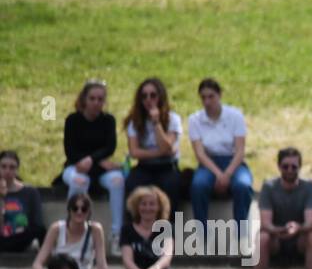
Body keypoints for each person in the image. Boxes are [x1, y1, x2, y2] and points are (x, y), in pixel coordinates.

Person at [188, 78, 253, 251]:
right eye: (203, 98)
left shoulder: (235, 116)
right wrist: (218, 174)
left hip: (233, 161)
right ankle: (202, 237)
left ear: (219, 95)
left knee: (243, 185)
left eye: (211, 97)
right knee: (198, 186)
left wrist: (228, 174)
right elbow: (200, 153)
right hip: (209, 163)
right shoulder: (195, 120)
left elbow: (240, 150)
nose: (207, 102)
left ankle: (241, 237)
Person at [252, 147, 312, 269]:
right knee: (262, 237)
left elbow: (311, 222)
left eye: (294, 167)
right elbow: (266, 223)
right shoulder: (269, 187)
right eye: (285, 166)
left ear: (299, 167)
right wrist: (279, 230)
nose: (290, 170)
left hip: (299, 239)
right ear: (279, 167)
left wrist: (298, 228)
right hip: (276, 239)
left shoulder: (309, 187)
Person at [61, 80, 126, 242]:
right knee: (79, 181)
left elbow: (110, 147)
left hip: (99, 168)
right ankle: (69, 230)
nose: (96, 103)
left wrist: (92, 160)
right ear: (84, 100)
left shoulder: (108, 120)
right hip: (75, 166)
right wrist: (88, 161)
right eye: (92, 98)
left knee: (117, 181)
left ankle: (117, 233)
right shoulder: (72, 120)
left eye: (100, 99)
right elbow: (70, 150)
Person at [32, 193, 118, 269]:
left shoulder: (95, 230)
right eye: (75, 208)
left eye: (83, 209)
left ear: (88, 212)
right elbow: (37, 264)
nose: (79, 212)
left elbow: (102, 266)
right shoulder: (57, 228)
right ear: (69, 210)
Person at [123, 78, 183, 214]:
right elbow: (134, 152)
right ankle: (133, 227)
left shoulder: (173, 119)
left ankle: (169, 228)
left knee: (172, 185)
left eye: (153, 95)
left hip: (167, 166)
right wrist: (161, 151)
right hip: (144, 166)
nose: (148, 100)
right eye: (144, 96)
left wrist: (156, 123)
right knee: (132, 184)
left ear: (160, 97)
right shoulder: (135, 121)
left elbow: (167, 146)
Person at [1, 150, 47, 253]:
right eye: (3, 167)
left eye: (12, 167)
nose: (7, 171)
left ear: (17, 170)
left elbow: (37, 222)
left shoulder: (30, 192)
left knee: (40, 231)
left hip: (21, 237)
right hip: (2, 238)